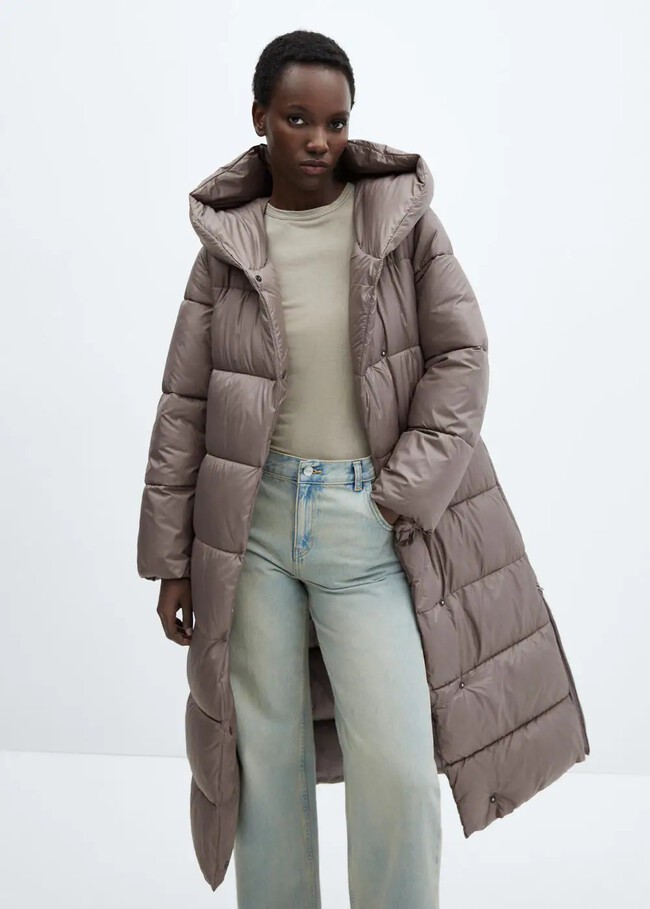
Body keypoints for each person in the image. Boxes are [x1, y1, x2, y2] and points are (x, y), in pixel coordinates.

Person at [137, 27, 589, 909]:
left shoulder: (401, 221)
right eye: (298, 118)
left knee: (398, 764)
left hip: (367, 521)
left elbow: (463, 357)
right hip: (254, 528)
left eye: (336, 122)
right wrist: (170, 561)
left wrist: (403, 492)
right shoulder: (227, 246)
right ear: (259, 117)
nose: (319, 139)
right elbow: (184, 403)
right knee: (266, 761)